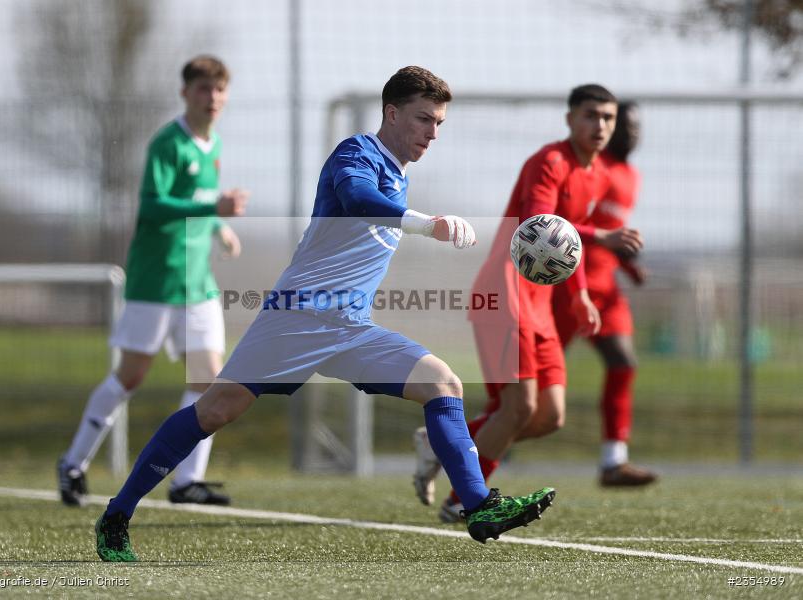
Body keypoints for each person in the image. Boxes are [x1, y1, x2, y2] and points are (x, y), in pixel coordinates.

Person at [94, 66, 556, 562]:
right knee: (214, 411)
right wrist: (426, 224)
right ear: (392, 113)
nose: (433, 133)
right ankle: (117, 513)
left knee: (444, 384)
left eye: (439, 123)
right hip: (296, 319)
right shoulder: (356, 153)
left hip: (350, 329)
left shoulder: (399, 176)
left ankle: (479, 506)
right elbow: (357, 199)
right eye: (424, 119)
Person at [413, 84, 642, 522]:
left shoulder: (596, 174)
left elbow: (565, 249)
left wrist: (579, 295)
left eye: (608, 118)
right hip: (506, 296)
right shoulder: (550, 162)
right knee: (518, 408)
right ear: (570, 119)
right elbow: (543, 226)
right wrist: (603, 237)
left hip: (540, 306)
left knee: (548, 417)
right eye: (591, 115)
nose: (600, 125)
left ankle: (437, 443)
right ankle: (463, 501)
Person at [57, 55, 248, 509]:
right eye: (203, 88)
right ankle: (73, 463)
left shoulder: (213, 145)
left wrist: (218, 228)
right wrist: (213, 210)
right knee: (130, 377)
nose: (212, 97)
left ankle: (186, 482)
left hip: (197, 284)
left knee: (208, 380)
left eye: (219, 89)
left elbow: (196, 201)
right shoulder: (168, 143)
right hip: (155, 284)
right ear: (185, 93)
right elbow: (154, 205)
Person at [551, 101, 657, 487]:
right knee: (537, 389)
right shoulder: (593, 169)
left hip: (606, 289)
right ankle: (469, 438)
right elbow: (571, 225)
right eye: (624, 126)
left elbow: (612, 233)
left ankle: (614, 461)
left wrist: (629, 267)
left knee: (623, 363)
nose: (631, 133)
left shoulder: (631, 175)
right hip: (568, 285)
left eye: (635, 127)